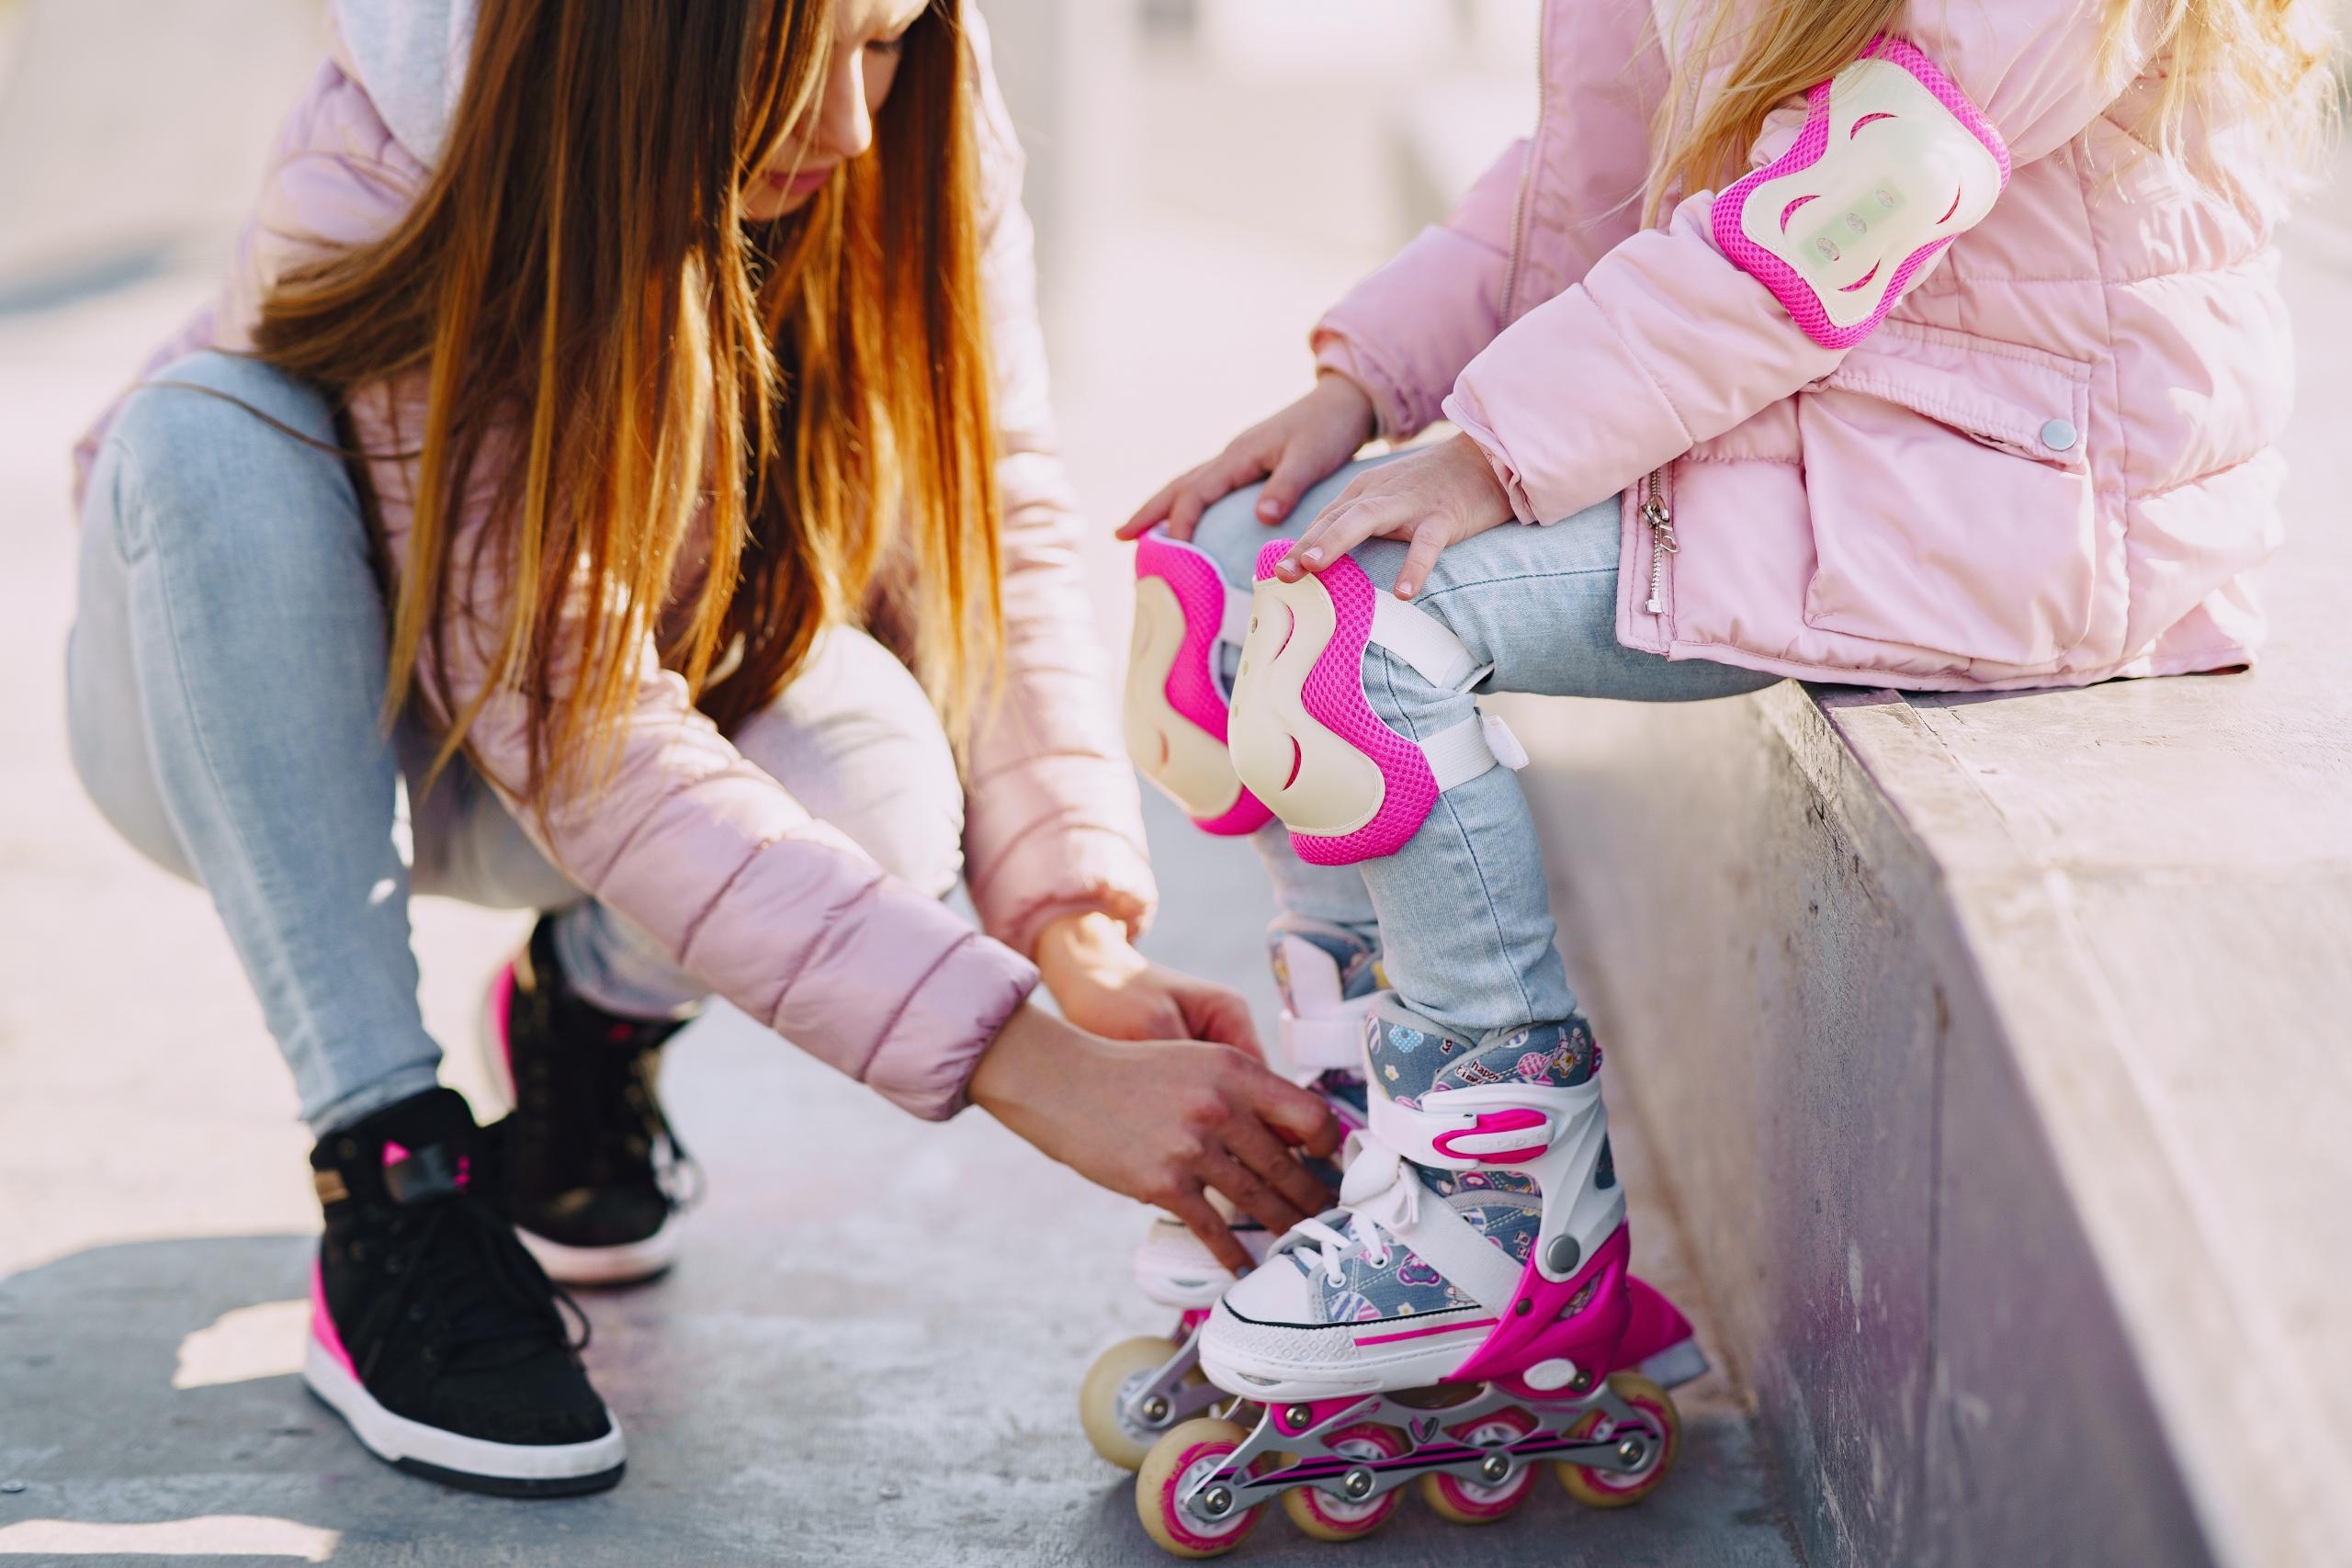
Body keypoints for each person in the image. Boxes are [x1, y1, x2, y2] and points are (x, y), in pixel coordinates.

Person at [65, 0, 1340, 1497]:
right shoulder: (407, 137)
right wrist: (1019, 1059)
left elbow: (986, 517)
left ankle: (586, 1028)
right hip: (270, 732)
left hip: (583, 734)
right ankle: (391, 1174)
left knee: (875, 772)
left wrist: (1075, 935)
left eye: (884, 45)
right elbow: (578, 721)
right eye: (807, 53)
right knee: (204, 433)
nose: (856, 122)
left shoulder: (920, 104)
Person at [1115, 0, 2335, 1547]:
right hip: (1828, 424)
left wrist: (1492, 451)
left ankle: (1500, 1216)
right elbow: (1590, 186)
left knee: (1352, 641)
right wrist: (1364, 384)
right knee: (1240, 570)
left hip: (2025, 496)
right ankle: (1383, 1121)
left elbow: (1847, 206)